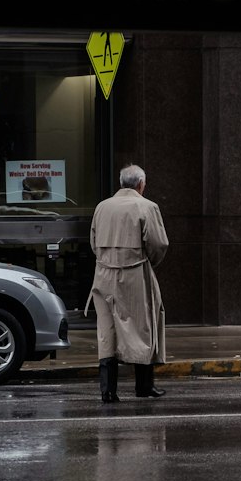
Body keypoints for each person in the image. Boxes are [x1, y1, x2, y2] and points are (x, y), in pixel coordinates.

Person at [88, 164, 168, 403]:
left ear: (121, 182)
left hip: (103, 274)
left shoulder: (102, 207)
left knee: (107, 330)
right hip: (134, 274)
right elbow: (158, 244)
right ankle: (144, 386)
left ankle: (108, 390)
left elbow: (93, 241)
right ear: (141, 184)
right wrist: (144, 262)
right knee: (143, 326)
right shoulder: (147, 206)